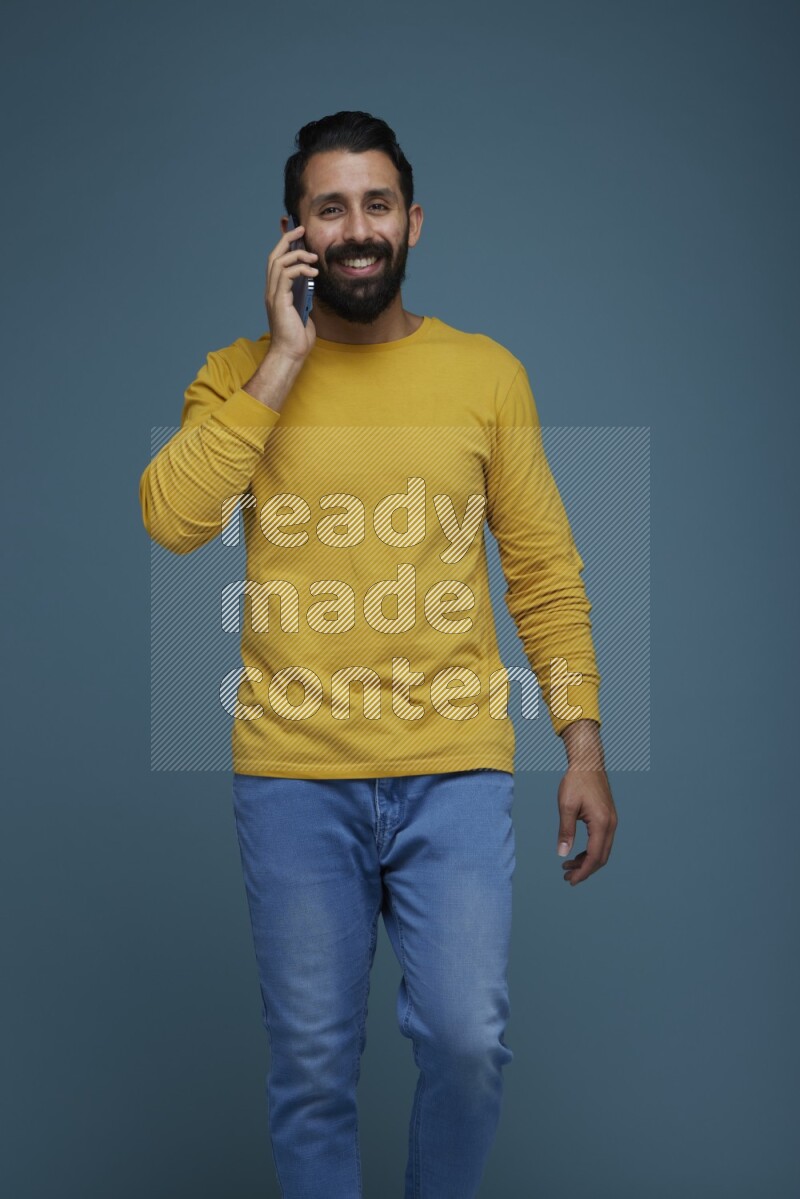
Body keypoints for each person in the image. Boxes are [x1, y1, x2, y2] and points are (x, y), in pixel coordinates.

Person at [139, 110, 618, 1199]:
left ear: (411, 220)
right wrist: (281, 363)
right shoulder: (237, 374)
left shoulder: (486, 375)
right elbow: (170, 516)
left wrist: (580, 744)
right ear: (291, 233)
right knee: (312, 1067)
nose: (356, 228)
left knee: (464, 1038)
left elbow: (543, 570)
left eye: (375, 203)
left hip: (452, 764)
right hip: (294, 775)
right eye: (329, 207)